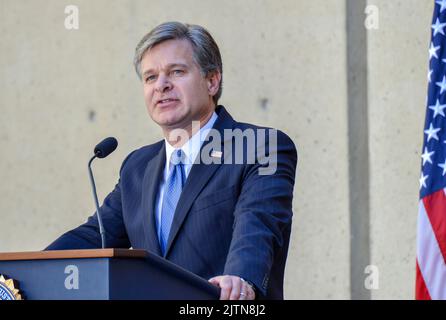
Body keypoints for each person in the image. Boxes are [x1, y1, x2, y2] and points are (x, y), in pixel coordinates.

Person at [46, 21, 298, 300]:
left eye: (176, 72)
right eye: (150, 77)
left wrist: (241, 279)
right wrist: (24, 271)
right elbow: (95, 237)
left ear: (212, 81)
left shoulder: (259, 147)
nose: (162, 86)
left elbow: (258, 225)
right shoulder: (137, 167)